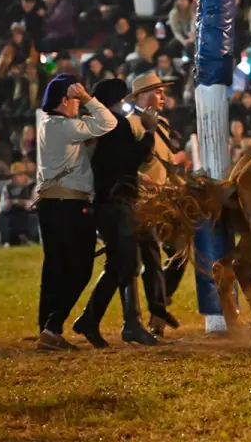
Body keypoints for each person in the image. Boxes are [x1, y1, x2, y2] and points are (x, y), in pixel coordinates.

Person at [72, 79, 160, 348]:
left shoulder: (100, 125)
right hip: (116, 201)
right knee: (128, 263)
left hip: (104, 202)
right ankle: (129, 324)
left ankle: (91, 319)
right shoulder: (116, 125)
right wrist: (148, 132)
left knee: (118, 264)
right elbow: (132, 159)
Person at [36, 75, 117, 350]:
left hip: (50, 205)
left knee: (55, 268)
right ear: (64, 100)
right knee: (80, 269)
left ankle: (45, 328)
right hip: (69, 206)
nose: (78, 106)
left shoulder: (48, 124)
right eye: (74, 100)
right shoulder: (66, 126)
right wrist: (87, 98)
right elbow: (108, 122)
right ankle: (53, 327)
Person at [126, 73, 182, 338]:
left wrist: (182, 185)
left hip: (163, 202)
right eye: (158, 91)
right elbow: (122, 165)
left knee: (179, 252)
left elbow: (168, 165)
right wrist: (141, 180)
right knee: (148, 260)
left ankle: (160, 303)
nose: (163, 96)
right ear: (142, 96)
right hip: (139, 204)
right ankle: (155, 317)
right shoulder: (130, 125)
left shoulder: (163, 124)